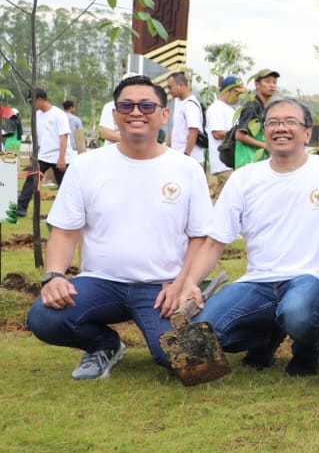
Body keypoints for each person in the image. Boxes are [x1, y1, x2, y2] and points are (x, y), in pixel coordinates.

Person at [25, 76, 213, 379]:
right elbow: (65, 230)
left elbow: (200, 236)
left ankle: (201, 300)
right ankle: (105, 346)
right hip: (101, 283)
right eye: (126, 105)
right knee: (44, 317)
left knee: (191, 362)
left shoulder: (186, 169)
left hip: (163, 286)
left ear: (164, 115)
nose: (136, 112)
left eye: (146, 105)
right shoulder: (87, 166)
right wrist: (54, 276)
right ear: (115, 115)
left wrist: (186, 282)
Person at [179, 97, 319, 376]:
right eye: (273, 122)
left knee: (297, 313)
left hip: (308, 278)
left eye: (290, 122)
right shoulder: (245, 178)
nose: (280, 128)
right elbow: (215, 242)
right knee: (199, 338)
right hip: (257, 282)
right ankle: (266, 337)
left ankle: (307, 349)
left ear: (308, 132)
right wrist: (191, 283)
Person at [13, 88, 70, 220]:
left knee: (66, 186)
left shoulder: (58, 114)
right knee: (31, 180)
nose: (30, 104)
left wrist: (62, 158)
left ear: (39, 99)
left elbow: (64, 137)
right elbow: (37, 136)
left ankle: (69, 211)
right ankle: (21, 207)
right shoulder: (37, 115)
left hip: (59, 158)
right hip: (43, 157)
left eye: (31, 101)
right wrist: (34, 153)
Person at [206, 75, 246, 199]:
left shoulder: (229, 109)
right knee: (240, 191)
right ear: (227, 91)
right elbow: (217, 133)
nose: (238, 97)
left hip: (229, 162)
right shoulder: (216, 108)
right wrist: (238, 134)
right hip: (222, 163)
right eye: (236, 93)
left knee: (223, 197)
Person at [231, 68, 279, 168]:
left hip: (256, 161)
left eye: (274, 82)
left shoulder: (261, 106)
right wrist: (265, 146)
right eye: (267, 82)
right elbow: (239, 135)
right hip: (247, 161)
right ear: (257, 84)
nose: (272, 85)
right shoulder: (252, 105)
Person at [164, 70, 205, 167]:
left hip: (190, 160)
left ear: (181, 85)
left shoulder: (190, 104)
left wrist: (186, 156)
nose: (169, 90)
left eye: (170, 87)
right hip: (179, 158)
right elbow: (175, 129)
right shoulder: (180, 103)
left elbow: (193, 131)